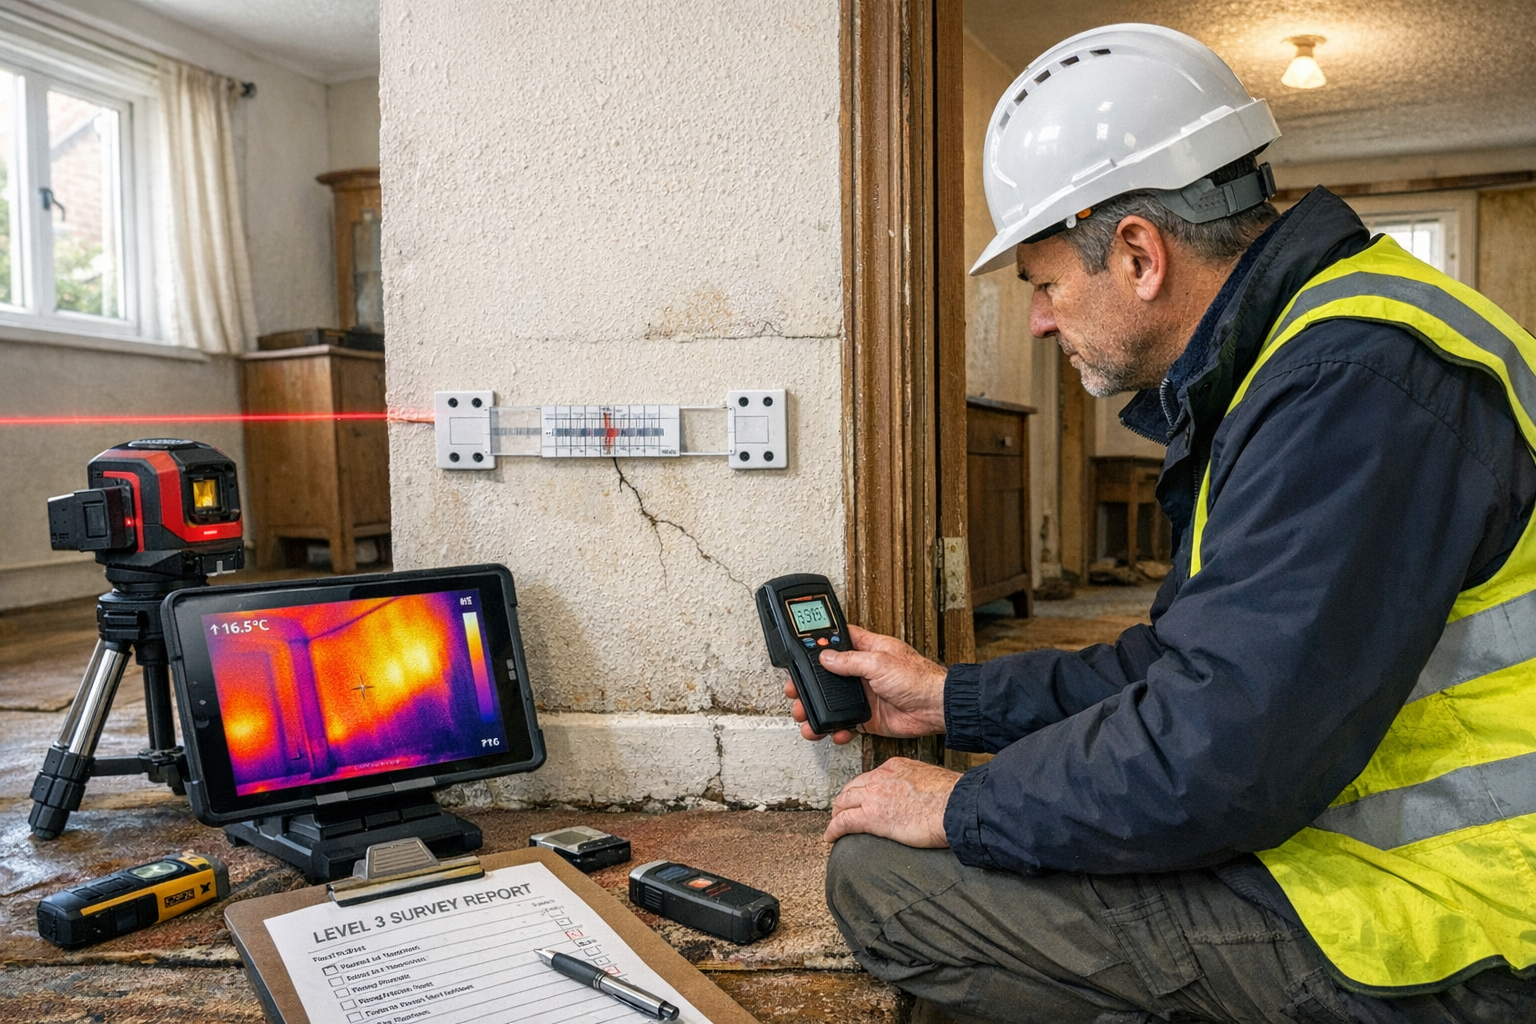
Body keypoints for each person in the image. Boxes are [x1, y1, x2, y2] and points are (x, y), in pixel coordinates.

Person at [785, 23, 1536, 1024]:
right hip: (1380, 858)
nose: (1043, 320)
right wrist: (943, 700)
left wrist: (958, 803)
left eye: (1047, 284)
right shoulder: (1310, 357)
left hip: (1459, 922)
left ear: (1139, 252)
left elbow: (1221, 754)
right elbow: (1189, 668)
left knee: (887, 882)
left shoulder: (1351, 386)